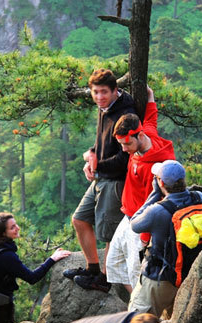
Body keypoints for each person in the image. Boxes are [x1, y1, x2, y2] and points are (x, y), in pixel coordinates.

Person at [66, 68, 136, 292]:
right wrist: (90, 159)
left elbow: (125, 158)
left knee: (108, 232)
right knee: (79, 219)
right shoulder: (105, 108)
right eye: (95, 92)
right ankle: (93, 268)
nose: (99, 97)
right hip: (101, 176)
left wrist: (97, 166)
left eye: (104, 92)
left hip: (115, 181)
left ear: (115, 91)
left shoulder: (124, 113)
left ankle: (104, 279)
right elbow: (101, 144)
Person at [105, 86, 175, 294]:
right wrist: (151, 95)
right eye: (121, 145)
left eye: (127, 144)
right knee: (113, 263)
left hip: (140, 224)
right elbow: (151, 118)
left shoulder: (158, 166)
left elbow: (153, 202)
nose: (124, 149)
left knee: (137, 274)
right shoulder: (147, 134)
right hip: (127, 216)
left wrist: (145, 237)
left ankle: (140, 313)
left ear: (139, 135)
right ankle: (135, 302)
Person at [129, 160, 202, 318]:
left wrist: (155, 193)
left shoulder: (157, 211)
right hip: (188, 275)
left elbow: (134, 224)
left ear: (161, 182)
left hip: (159, 279)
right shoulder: (199, 198)